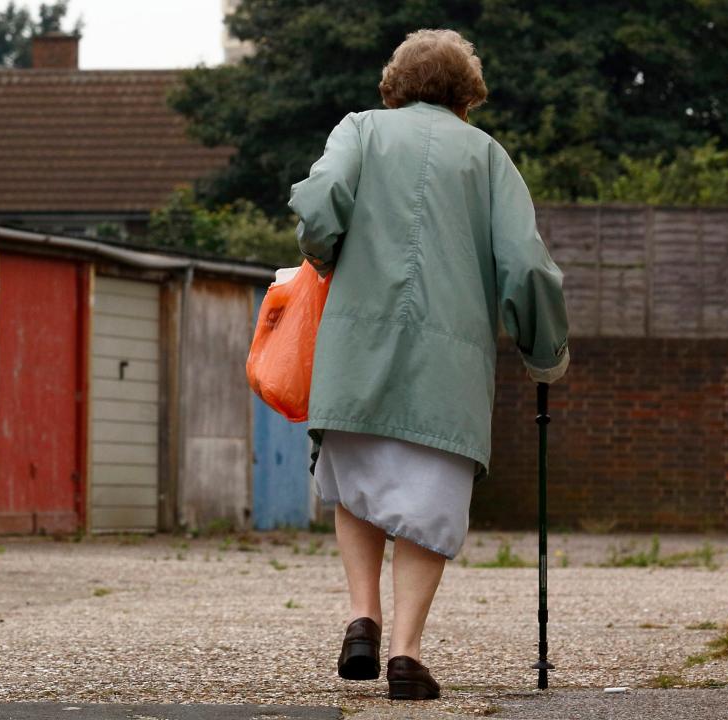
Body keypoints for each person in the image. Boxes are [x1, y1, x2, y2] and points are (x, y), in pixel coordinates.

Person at [287, 28, 569, 701]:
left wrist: (324, 255)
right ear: (468, 95)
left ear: (394, 84)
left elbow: (318, 203)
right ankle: (407, 653)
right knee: (428, 503)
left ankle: (362, 617)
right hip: (451, 362)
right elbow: (526, 265)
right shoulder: (488, 158)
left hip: (357, 345)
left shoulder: (360, 130)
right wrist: (543, 351)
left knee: (354, 484)